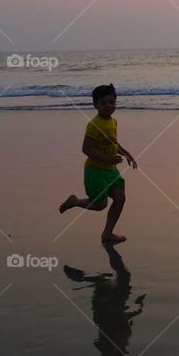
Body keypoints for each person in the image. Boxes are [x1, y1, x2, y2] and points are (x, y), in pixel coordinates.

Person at [59, 84, 137, 243]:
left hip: (110, 170)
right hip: (95, 170)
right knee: (100, 205)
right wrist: (107, 159)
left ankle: (107, 233)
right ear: (95, 105)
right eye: (104, 103)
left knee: (120, 198)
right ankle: (75, 201)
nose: (109, 106)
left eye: (112, 102)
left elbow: (112, 143)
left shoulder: (113, 122)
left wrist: (126, 153)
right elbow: (86, 149)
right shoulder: (94, 125)